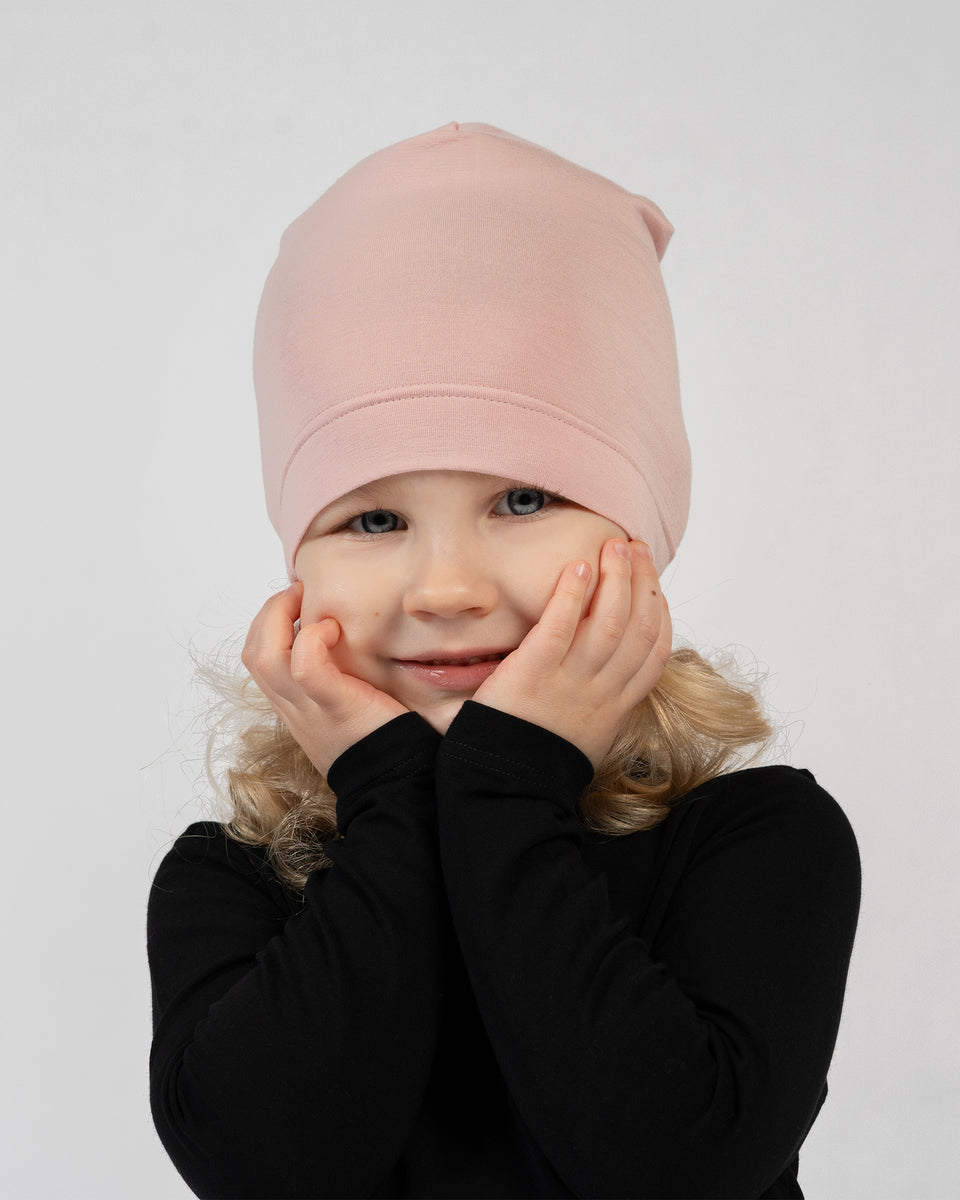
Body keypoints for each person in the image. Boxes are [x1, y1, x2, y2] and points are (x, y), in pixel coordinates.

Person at [147, 122, 860, 1200]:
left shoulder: (757, 840)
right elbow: (268, 1173)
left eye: (523, 499)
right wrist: (393, 795)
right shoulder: (236, 878)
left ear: (640, 536)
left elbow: (677, 1170)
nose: (446, 590)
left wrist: (507, 787)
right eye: (373, 518)